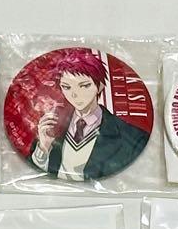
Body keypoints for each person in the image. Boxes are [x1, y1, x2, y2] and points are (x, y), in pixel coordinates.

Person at [30, 48, 148, 181]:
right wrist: (44, 147)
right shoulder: (53, 126)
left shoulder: (131, 136)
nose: (75, 94)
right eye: (67, 87)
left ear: (100, 86)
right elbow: (35, 173)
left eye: (84, 86)